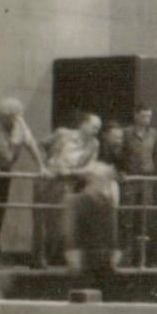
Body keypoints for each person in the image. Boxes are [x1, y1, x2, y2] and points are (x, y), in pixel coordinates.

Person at [33, 112, 100, 267]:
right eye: (94, 127)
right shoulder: (62, 134)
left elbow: (90, 167)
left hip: (66, 183)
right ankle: (38, 258)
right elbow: (40, 145)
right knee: (41, 220)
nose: (96, 131)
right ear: (83, 124)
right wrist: (43, 165)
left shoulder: (94, 144)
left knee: (57, 223)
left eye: (98, 128)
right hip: (47, 180)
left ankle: (50, 256)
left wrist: (71, 173)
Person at [0, 98, 44, 263]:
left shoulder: (20, 124)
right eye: (6, 117)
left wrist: (41, 166)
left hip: (3, 170)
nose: (10, 120)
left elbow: (31, 144)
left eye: (13, 117)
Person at [66, 161, 120, 296]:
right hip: (85, 257)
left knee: (106, 294)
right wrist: (73, 253)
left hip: (104, 257)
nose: (106, 184)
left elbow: (112, 229)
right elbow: (72, 230)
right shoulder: (77, 201)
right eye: (103, 180)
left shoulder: (107, 202)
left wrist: (114, 251)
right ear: (93, 180)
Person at [119, 106, 157, 264]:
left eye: (149, 116)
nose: (146, 119)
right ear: (136, 116)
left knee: (145, 216)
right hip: (131, 178)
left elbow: (155, 154)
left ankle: (142, 257)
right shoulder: (126, 133)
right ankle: (126, 256)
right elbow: (120, 153)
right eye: (143, 116)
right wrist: (122, 170)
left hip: (147, 179)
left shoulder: (153, 133)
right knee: (127, 217)